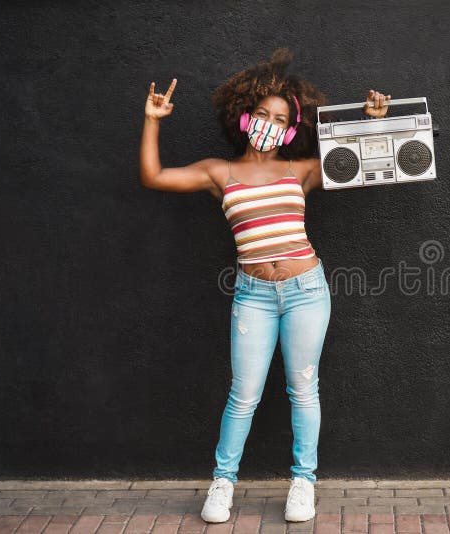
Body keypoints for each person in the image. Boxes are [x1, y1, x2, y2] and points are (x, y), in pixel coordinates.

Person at [138, 48, 390, 524]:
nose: (271, 123)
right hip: (253, 297)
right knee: (244, 393)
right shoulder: (219, 172)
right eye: (263, 114)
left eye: (281, 118)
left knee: (303, 388)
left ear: (292, 129)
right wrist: (153, 120)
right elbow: (153, 177)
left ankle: (303, 482)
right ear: (245, 117)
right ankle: (222, 482)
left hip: (306, 291)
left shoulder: (301, 170)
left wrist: (371, 121)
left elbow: (359, 162)